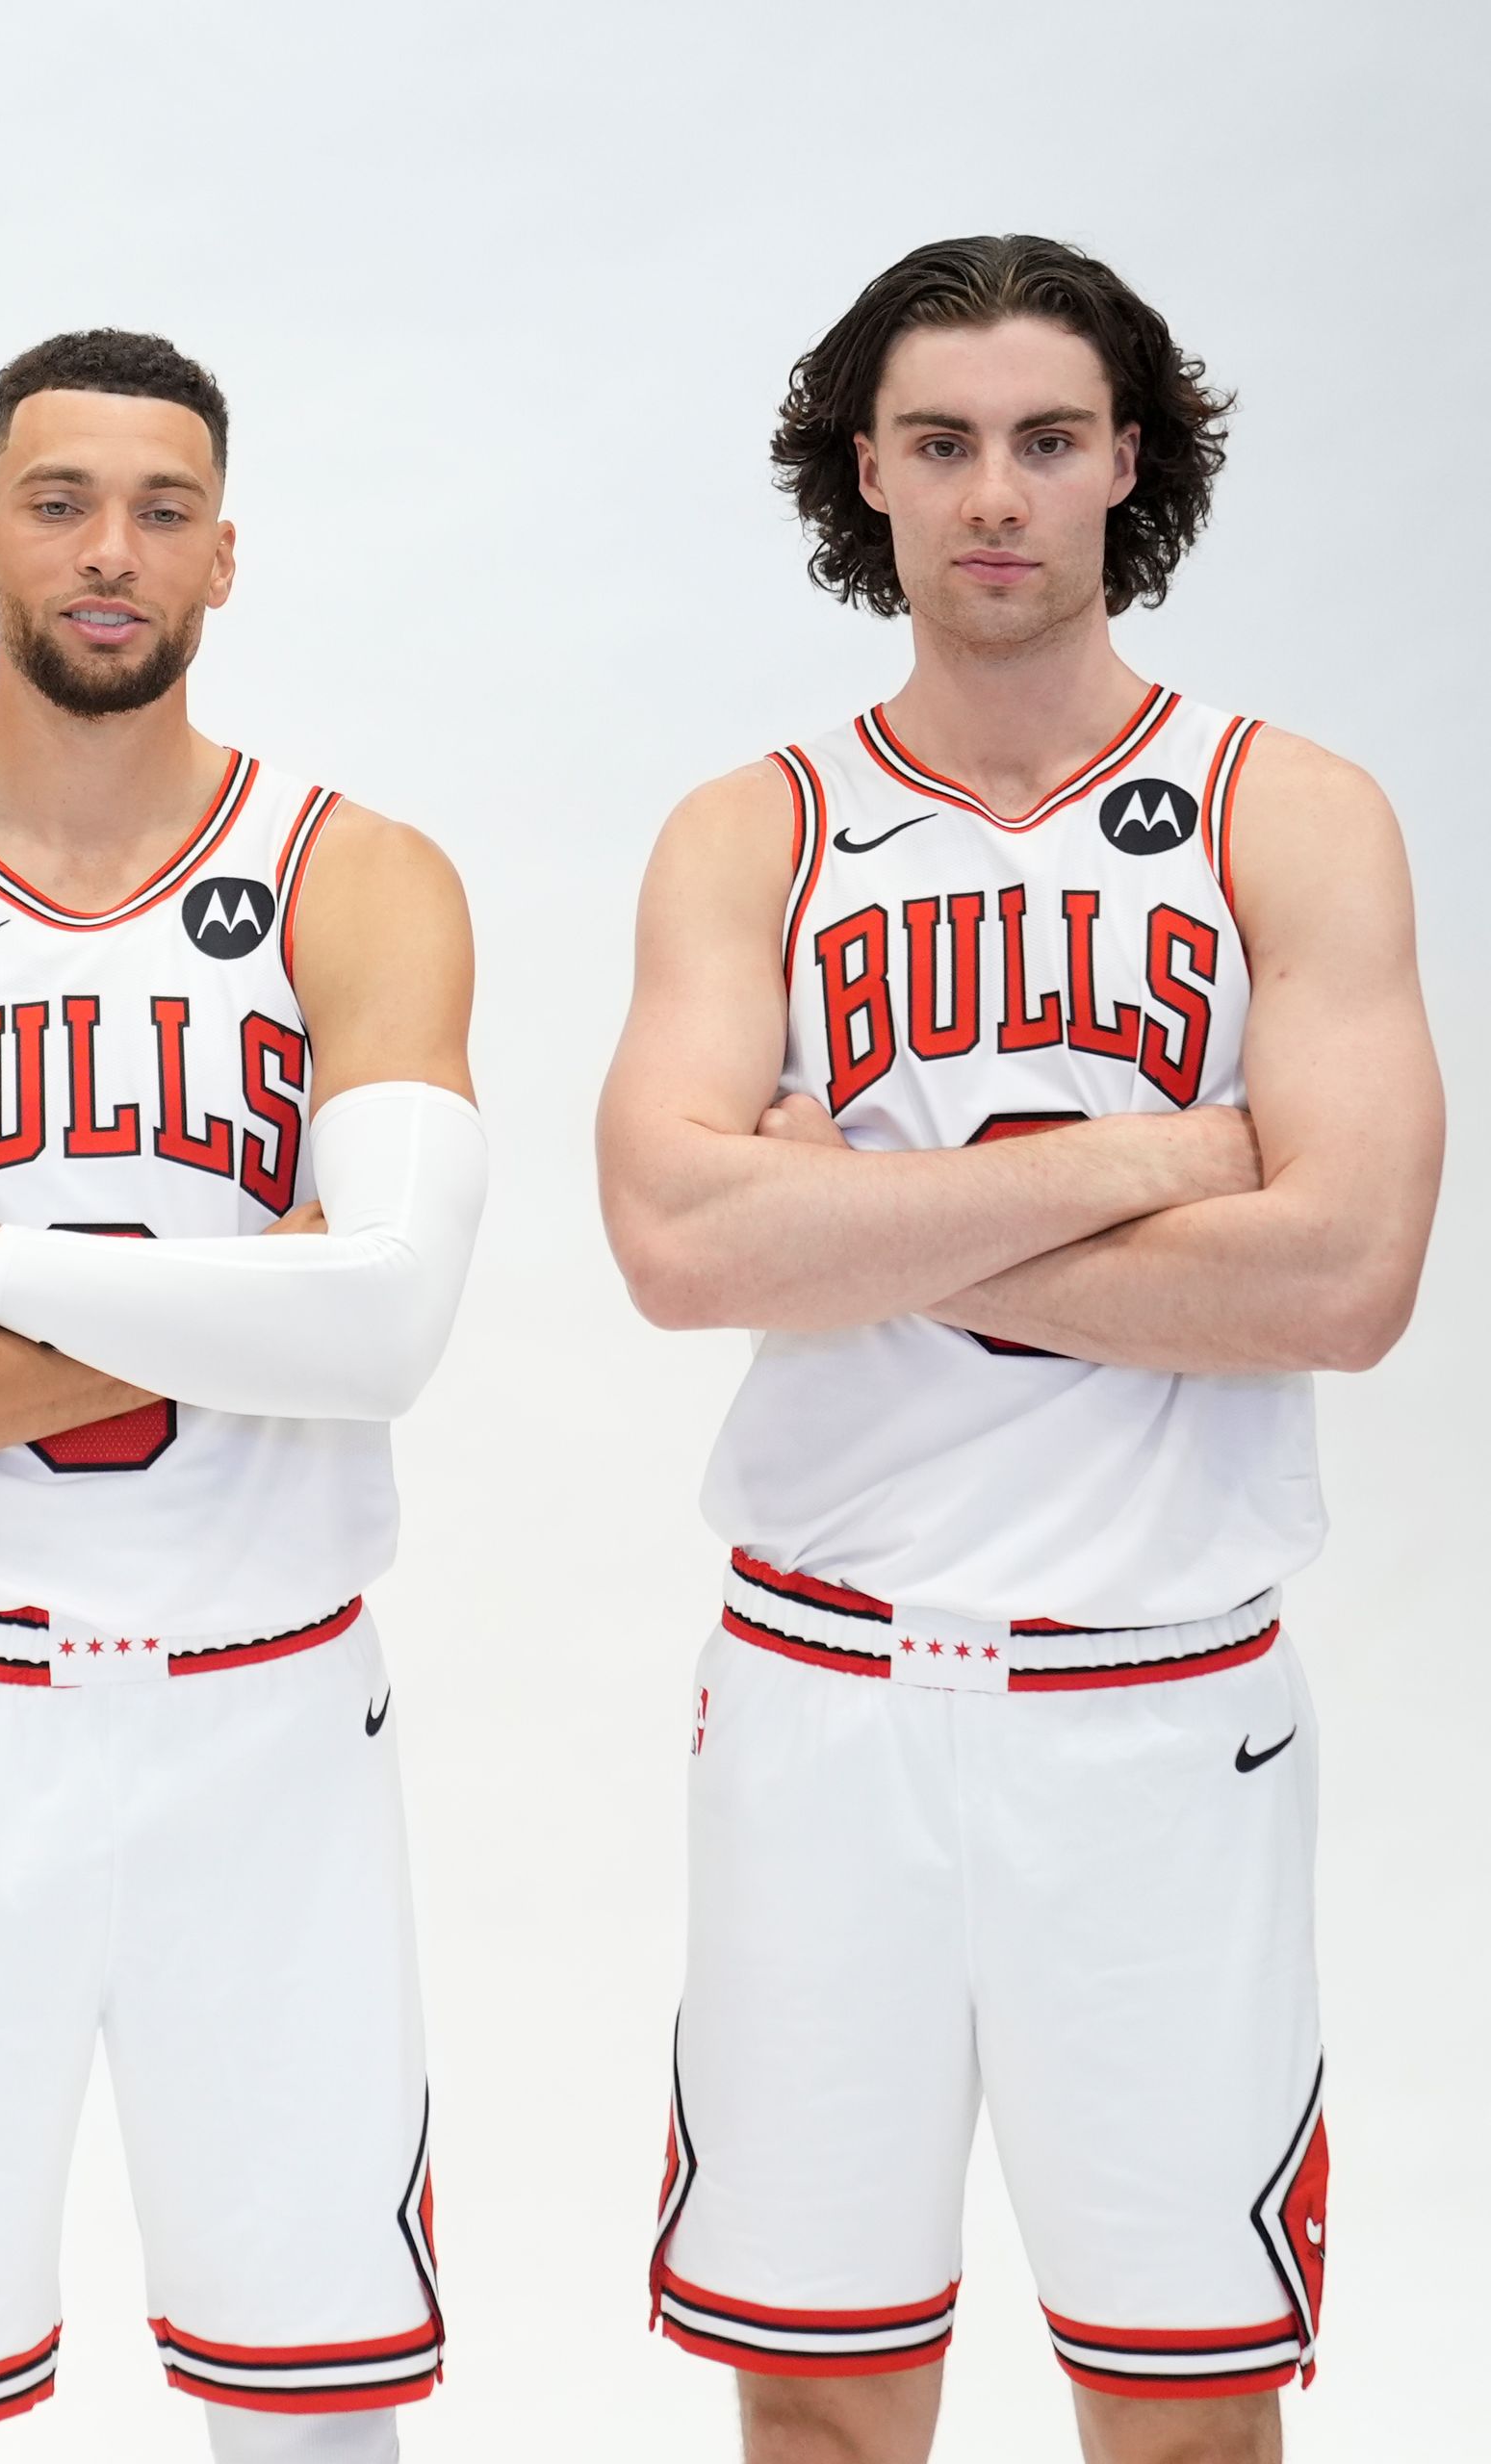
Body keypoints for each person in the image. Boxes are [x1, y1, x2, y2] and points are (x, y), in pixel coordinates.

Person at [600, 234, 1443, 2464]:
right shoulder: (755, 829)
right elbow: (679, 1244)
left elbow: (1347, 1278)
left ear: (1125, 467)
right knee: (823, 2386)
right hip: (822, 1692)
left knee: (1180, 2406)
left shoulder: (1289, 806)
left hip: (1159, 1702)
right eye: (945, 441)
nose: (997, 492)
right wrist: (1166, 1157)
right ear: (862, 470)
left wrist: (849, 1214)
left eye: (1047, 440)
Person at [0, 328, 487, 2463]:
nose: (105, 552)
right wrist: (244, 1300)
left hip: (276, 1713)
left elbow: (393, 1324)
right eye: (56, 503)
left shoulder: (357, 875)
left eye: (156, 510)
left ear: (226, 556)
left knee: (313, 2416)